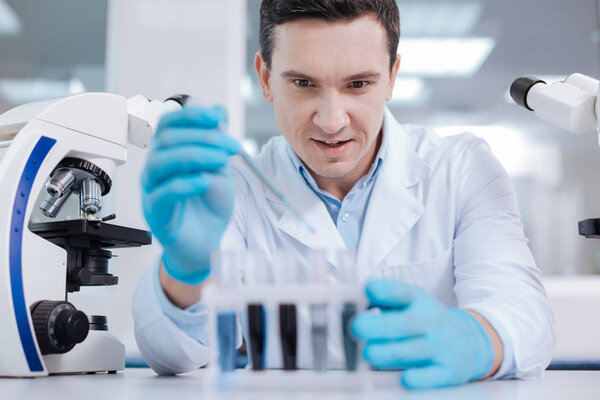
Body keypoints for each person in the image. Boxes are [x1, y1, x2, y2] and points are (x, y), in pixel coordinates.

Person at [133, 0, 554, 389]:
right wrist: (186, 271)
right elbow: (174, 356)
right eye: (303, 82)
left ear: (391, 77)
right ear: (265, 78)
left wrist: (477, 339)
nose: (332, 121)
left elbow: (525, 319)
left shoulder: (460, 169)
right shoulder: (233, 188)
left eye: (357, 84)